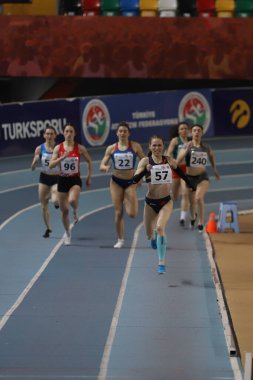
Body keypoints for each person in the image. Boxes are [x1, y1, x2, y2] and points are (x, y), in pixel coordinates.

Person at [132, 135, 196, 274]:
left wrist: (190, 183)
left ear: (163, 146)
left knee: (161, 227)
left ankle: (161, 263)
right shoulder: (145, 161)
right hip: (150, 203)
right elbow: (134, 180)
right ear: (149, 147)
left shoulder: (168, 160)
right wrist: (145, 170)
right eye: (154, 145)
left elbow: (179, 171)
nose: (157, 148)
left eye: (159, 145)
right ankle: (153, 235)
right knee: (150, 235)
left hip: (166, 201)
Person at [99, 121, 145, 248]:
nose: (123, 133)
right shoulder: (111, 148)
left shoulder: (135, 146)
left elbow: (144, 160)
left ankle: (127, 198)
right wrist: (105, 167)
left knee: (132, 214)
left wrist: (140, 174)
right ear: (117, 133)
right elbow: (102, 164)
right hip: (116, 182)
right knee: (118, 213)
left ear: (129, 133)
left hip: (131, 182)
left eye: (125, 131)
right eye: (120, 131)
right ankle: (120, 239)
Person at [49, 123, 92, 245]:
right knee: (64, 211)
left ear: (74, 133)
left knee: (72, 200)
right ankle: (68, 233)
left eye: (71, 131)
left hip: (75, 180)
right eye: (66, 131)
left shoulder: (79, 148)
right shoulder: (58, 148)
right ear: (63, 133)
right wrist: (61, 158)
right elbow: (51, 165)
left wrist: (89, 176)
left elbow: (89, 161)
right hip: (62, 180)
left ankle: (75, 210)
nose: (68, 134)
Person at [176, 124, 220, 232]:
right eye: (194, 130)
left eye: (198, 130)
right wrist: (186, 151)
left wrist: (214, 169)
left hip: (202, 177)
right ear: (192, 133)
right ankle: (193, 218)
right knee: (192, 204)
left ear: (202, 133)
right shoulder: (186, 146)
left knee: (198, 198)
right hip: (189, 178)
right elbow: (177, 161)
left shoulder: (206, 147)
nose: (196, 132)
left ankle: (201, 223)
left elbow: (211, 156)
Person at [31, 126, 59, 238]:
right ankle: (48, 228)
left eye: (51, 134)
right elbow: (32, 168)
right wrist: (34, 162)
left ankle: (57, 202)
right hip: (44, 178)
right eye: (47, 134)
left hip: (56, 178)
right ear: (44, 135)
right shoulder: (39, 149)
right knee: (44, 206)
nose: (49, 136)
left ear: (55, 135)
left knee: (55, 200)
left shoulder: (58, 148)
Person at [166, 122, 190, 227]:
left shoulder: (190, 142)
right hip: (176, 169)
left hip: (186, 170)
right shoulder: (175, 141)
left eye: (185, 128)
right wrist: (173, 161)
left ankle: (182, 218)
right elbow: (168, 154)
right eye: (182, 129)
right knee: (174, 196)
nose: (184, 130)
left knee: (185, 194)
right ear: (179, 131)